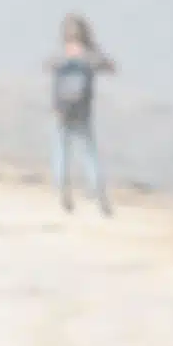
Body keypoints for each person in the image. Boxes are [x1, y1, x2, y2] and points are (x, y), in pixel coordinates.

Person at [45, 12, 115, 216]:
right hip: (82, 111)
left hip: (61, 110)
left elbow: (47, 65)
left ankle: (62, 188)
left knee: (61, 150)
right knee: (89, 152)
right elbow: (110, 67)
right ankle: (98, 192)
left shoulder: (60, 55)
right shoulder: (90, 56)